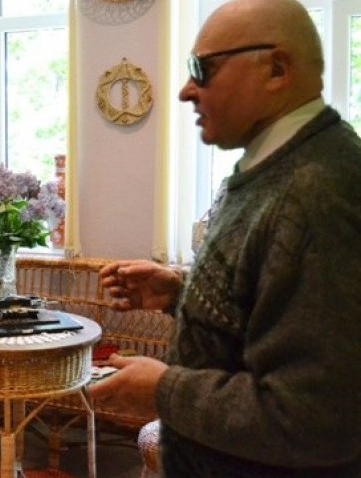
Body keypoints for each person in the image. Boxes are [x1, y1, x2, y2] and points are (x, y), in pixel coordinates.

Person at [88, 0, 361, 476]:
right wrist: (182, 293)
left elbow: (315, 419)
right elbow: (273, 309)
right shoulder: (279, 168)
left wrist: (165, 390)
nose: (185, 90)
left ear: (276, 69)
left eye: (203, 68)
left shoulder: (318, 190)